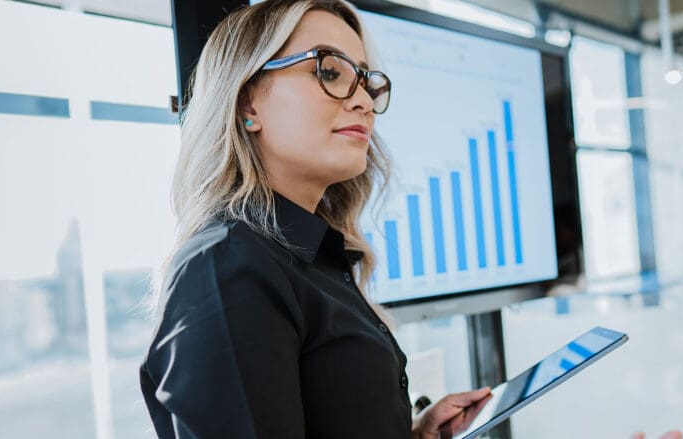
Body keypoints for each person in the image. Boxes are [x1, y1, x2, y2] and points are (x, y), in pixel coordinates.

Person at [138, 1, 491, 438]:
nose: (363, 101)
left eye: (366, 82)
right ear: (248, 102)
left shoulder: (311, 256)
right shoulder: (228, 268)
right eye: (329, 72)